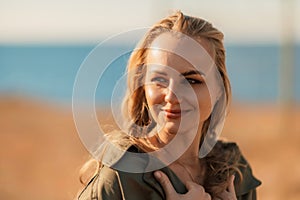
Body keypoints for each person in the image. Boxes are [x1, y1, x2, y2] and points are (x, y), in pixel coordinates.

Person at [77, 11, 261, 200]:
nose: (172, 95)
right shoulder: (122, 176)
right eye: (159, 79)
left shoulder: (233, 171)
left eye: (191, 80)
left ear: (219, 89)